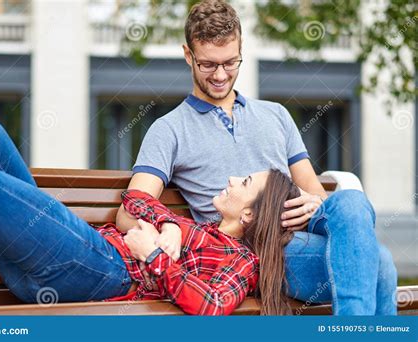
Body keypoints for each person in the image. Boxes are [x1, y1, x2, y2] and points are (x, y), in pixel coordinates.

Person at [116, 0, 397, 315]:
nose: (221, 75)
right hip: (256, 249)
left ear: (241, 52)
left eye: (230, 62)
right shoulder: (168, 129)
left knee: (351, 202)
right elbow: (129, 213)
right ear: (188, 56)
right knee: (381, 263)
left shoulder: (275, 114)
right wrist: (169, 228)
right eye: (208, 64)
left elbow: (317, 194)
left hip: (303, 231)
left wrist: (312, 202)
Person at [0, 115, 306, 315]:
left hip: (99, 269)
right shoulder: (199, 227)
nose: (230, 178)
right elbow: (134, 197)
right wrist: (168, 224)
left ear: (248, 215)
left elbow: (211, 306)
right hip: (64, 257)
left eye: (243, 181)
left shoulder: (242, 262)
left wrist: (154, 255)